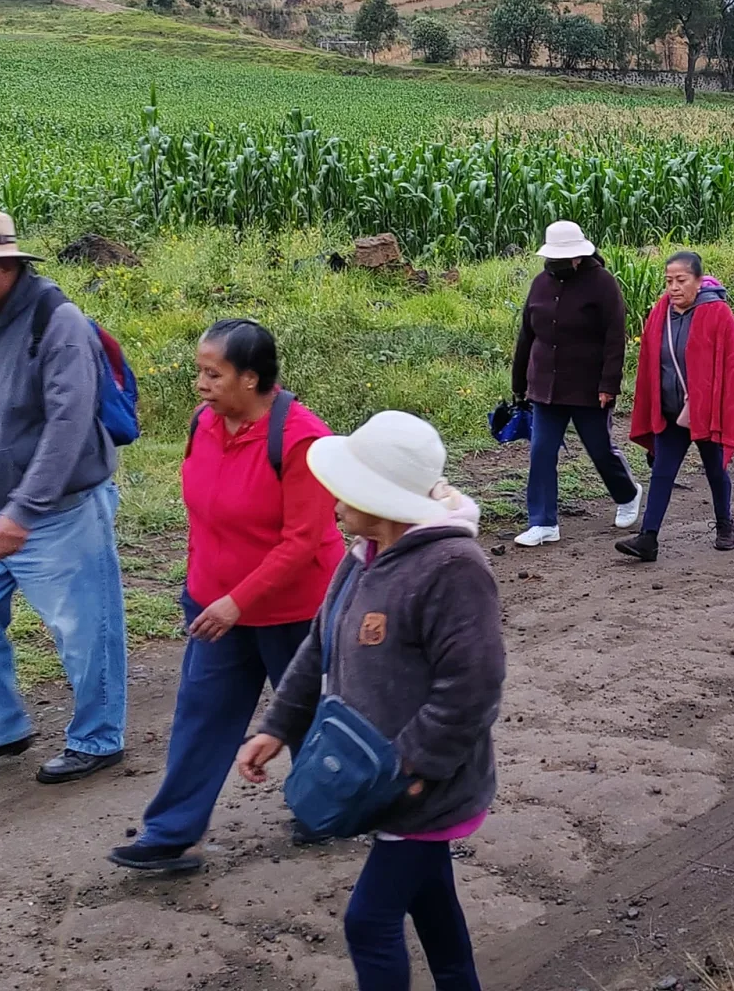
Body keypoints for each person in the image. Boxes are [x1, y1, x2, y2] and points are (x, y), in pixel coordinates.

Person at [237, 410, 504, 991]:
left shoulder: (453, 569)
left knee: (369, 921)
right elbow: (319, 643)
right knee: (432, 907)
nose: (332, 498)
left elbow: (473, 688)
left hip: (423, 786)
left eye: (346, 488)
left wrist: (411, 765)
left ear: (382, 498)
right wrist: (276, 726)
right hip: (385, 779)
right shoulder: (363, 555)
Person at [108, 321, 346, 873]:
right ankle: (170, 834)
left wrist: (238, 599)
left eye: (213, 374)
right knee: (201, 715)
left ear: (251, 378)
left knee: (305, 716)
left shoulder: (302, 439)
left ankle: (326, 809)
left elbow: (302, 541)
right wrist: (203, 589)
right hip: (215, 612)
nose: (200, 384)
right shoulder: (204, 424)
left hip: (293, 613)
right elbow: (203, 516)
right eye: (200, 371)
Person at [0, 210, 126, 784]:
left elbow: (69, 425)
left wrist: (24, 510)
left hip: (61, 512)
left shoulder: (57, 323)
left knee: (85, 630)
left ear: (6, 266)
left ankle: (98, 738)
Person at [618, 252, 734, 562]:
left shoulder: (717, 312)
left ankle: (725, 524)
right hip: (671, 411)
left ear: (698, 280)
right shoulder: (660, 312)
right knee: (662, 472)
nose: (674, 288)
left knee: (715, 470)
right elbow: (651, 362)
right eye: (669, 281)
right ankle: (648, 538)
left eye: (681, 281)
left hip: (706, 412)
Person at [510, 221, 642, 548]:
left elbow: (615, 338)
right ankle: (543, 523)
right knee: (541, 451)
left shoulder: (602, 284)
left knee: (599, 449)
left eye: (565, 257)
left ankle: (627, 493)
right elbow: (527, 334)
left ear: (579, 256)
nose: (559, 263)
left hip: (588, 385)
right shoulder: (540, 283)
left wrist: (609, 384)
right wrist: (519, 382)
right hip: (545, 386)